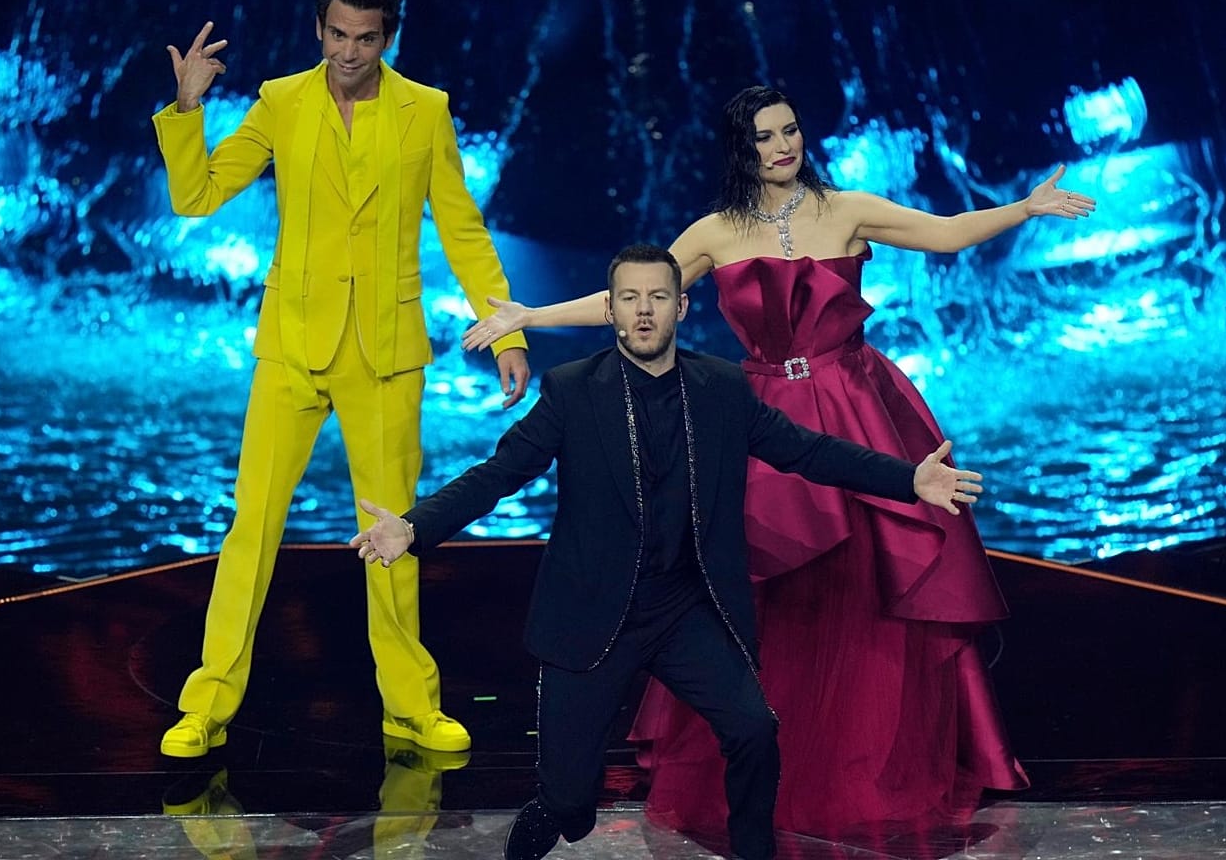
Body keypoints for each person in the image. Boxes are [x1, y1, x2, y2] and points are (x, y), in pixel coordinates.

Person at [461, 86, 1096, 835]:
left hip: (858, 405)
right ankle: (770, 768)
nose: (783, 146)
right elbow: (635, 296)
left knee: (872, 582)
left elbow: (949, 233)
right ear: (743, 149)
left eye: (790, 130)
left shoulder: (848, 207)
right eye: (764, 137)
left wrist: (1024, 208)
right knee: (769, 592)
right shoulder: (716, 232)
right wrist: (530, 316)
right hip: (764, 418)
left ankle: (867, 763)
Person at [350, 244, 987, 860]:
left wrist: (910, 479)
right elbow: (498, 474)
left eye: (658, 296)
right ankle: (549, 817)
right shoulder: (573, 391)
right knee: (569, 804)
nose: (645, 310)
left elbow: (808, 451)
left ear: (681, 308)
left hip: (686, 609)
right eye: (630, 298)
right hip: (594, 614)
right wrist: (413, 527)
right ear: (611, 310)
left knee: (753, 730)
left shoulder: (721, 388)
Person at [151, 0, 531, 758]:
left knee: (393, 534)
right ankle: (209, 704)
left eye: (364, 38)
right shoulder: (282, 101)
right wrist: (187, 108)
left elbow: (461, 225)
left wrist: (507, 329)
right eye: (337, 35)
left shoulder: (425, 111)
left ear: (386, 37)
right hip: (292, 345)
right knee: (250, 528)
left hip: (386, 353)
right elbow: (195, 196)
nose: (349, 52)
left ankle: (410, 707)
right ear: (318, 32)